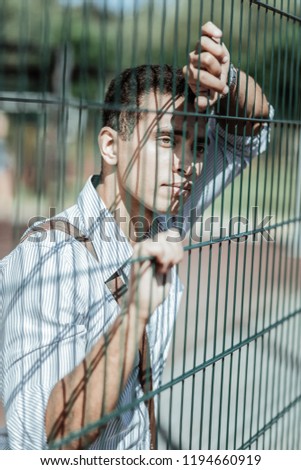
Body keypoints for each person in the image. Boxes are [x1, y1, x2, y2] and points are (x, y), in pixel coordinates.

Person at [0, 22, 272, 450]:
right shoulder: (49, 257)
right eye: (167, 139)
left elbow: (252, 131)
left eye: (198, 147)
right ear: (111, 147)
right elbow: (42, 440)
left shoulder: (166, 211)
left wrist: (227, 76)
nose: (188, 165)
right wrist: (135, 314)